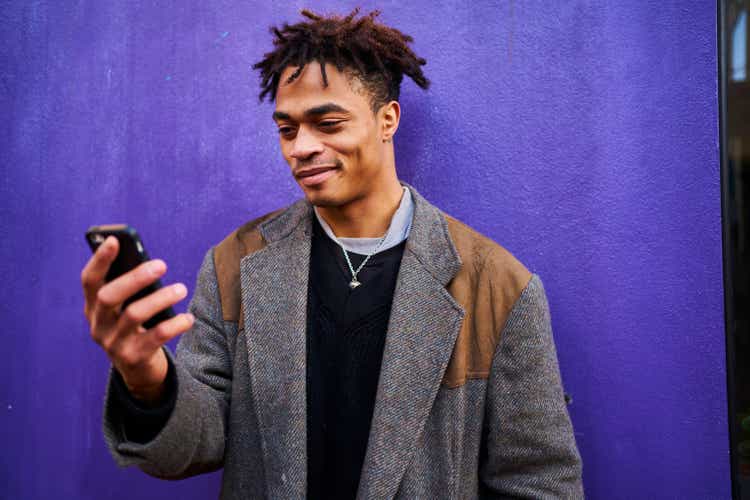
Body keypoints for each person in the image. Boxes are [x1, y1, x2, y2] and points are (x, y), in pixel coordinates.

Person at [81, 8, 583, 499]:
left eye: (328, 123)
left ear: (387, 120)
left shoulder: (499, 287)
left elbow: (538, 480)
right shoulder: (234, 264)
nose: (301, 147)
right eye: (287, 129)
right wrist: (148, 378)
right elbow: (196, 445)